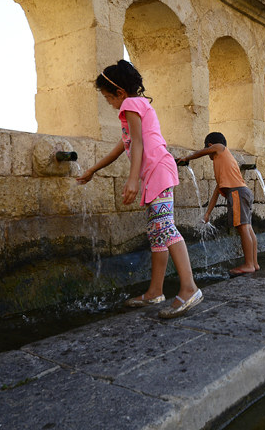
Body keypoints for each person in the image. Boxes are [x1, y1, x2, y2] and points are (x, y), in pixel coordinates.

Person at [76, 60, 203, 319]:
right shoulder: (139, 104)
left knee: (165, 227)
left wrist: (133, 180)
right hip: (157, 170)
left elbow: (139, 146)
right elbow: (124, 145)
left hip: (156, 170)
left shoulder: (130, 105)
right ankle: (155, 291)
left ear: (119, 93)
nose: (110, 104)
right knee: (157, 231)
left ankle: (189, 288)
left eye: (107, 97)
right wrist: (93, 169)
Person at [177, 132, 259, 275]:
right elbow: (216, 192)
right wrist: (207, 214)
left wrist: (187, 157)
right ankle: (254, 263)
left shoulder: (220, 148)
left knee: (243, 228)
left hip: (238, 192)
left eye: (208, 148)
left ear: (210, 145)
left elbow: (202, 152)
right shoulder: (223, 164)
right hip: (243, 192)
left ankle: (249, 264)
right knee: (248, 228)